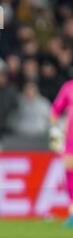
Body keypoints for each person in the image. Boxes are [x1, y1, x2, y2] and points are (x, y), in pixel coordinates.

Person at [50, 79, 73, 228]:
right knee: (70, 174)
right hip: (71, 140)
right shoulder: (69, 87)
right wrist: (55, 132)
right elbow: (54, 112)